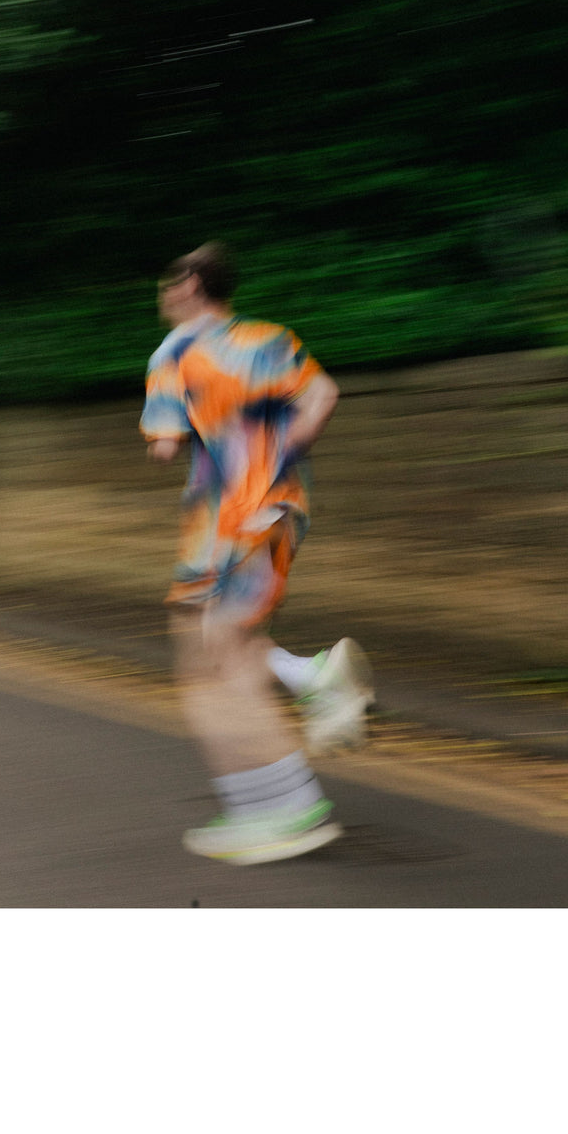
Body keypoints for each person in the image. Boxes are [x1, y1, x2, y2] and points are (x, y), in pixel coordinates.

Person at [141, 242, 374, 865]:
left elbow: (164, 446)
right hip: (282, 511)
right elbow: (323, 396)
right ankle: (302, 709)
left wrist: (190, 441)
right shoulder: (272, 339)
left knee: (204, 666)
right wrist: (277, 459)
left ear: (192, 284)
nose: (165, 293)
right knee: (229, 654)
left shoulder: (174, 353)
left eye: (170, 280)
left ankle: (284, 810)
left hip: (223, 522)